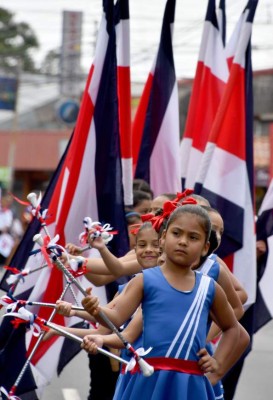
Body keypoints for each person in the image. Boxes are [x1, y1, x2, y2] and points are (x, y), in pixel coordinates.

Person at [82, 205, 241, 400]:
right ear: (163, 238)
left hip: (189, 384)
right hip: (147, 379)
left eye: (193, 237)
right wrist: (96, 310)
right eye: (177, 233)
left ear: (205, 247)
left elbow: (233, 328)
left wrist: (218, 362)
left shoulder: (209, 288)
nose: (183, 241)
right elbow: (116, 318)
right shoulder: (144, 280)